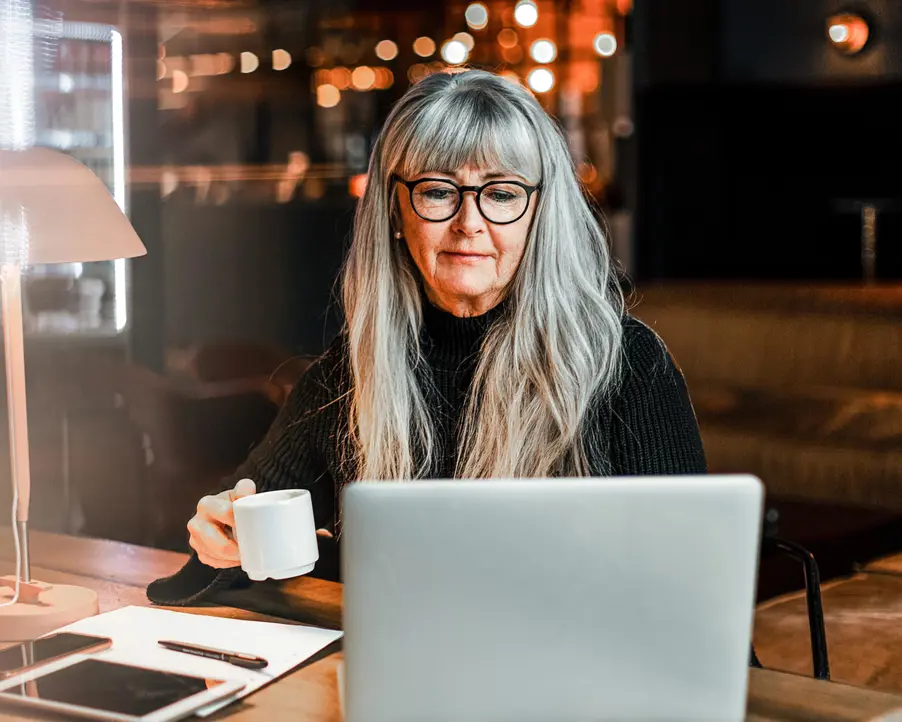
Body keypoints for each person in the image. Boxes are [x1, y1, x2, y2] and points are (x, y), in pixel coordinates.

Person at [147, 68, 706, 605]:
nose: (470, 223)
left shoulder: (625, 364)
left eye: (503, 193)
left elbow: (692, 598)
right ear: (396, 208)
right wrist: (216, 535)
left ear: (540, 213)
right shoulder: (353, 373)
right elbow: (239, 535)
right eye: (439, 192)